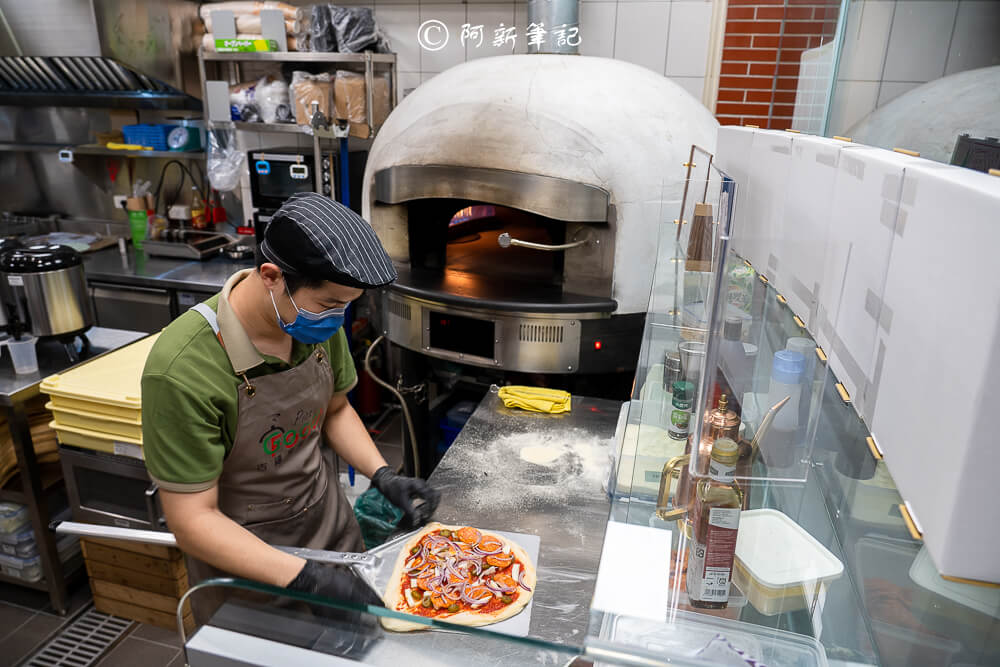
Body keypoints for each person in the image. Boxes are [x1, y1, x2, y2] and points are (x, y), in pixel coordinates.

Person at [141, 193, 439, 622]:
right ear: (271, 276)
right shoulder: (183, 369)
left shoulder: (313, 322)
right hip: (249, 577)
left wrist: (383, 475)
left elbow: (335, 410)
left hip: (332, 539)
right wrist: (307, 578)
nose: (339, 318)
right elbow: (192, 520)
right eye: (330, 304)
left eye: (346, 304)